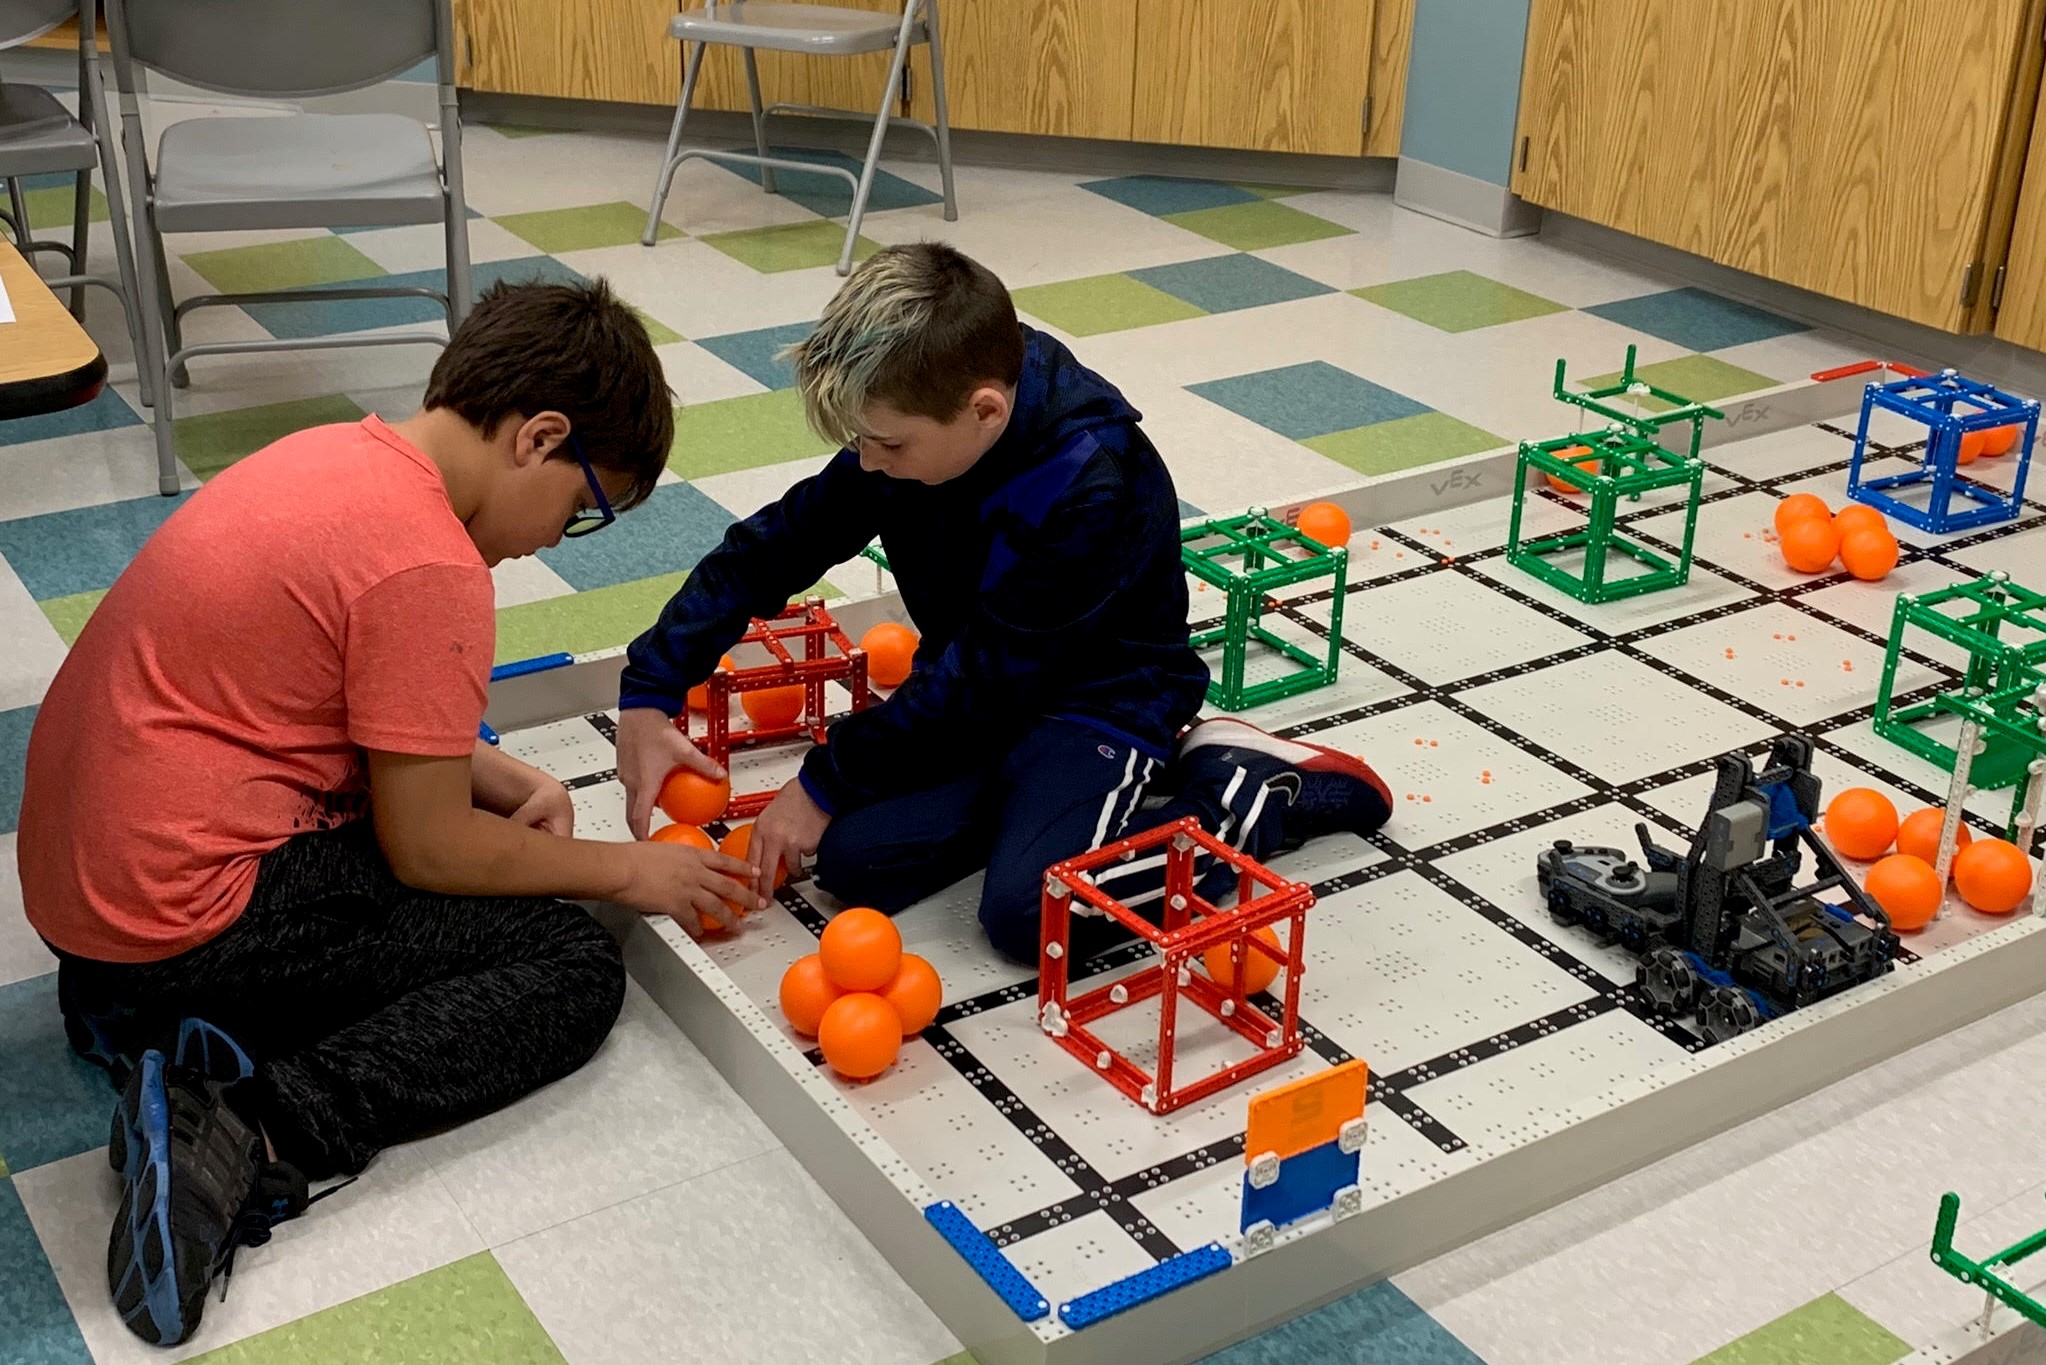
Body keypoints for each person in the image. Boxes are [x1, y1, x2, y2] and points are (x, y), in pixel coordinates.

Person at [16, 279, 762, 1348]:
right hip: (186, 918)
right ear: (539, 437)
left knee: (457, 866)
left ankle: (138, 1015)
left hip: (93, 899)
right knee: (565, 965)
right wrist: (626, 871)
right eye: (582, 506)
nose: (558, 538)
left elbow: (330, 685)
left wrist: (499, 777)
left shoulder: (340, 459)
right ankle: (252, 1129)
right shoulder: (430, 565)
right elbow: (427, 847)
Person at [614, 242, 1393, 965]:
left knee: (1034, 916)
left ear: (985, 410)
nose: (867, 461)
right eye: (860, 438)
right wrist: (652, 688)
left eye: (888, 443)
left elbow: (985, 674)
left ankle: (1243, 790)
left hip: (1099, 703)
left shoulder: (1093, 482)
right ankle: (1052, 810)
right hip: (986, 699)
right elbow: (775, 546)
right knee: (855, 861)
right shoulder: (912, 430)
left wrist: (823, 780)